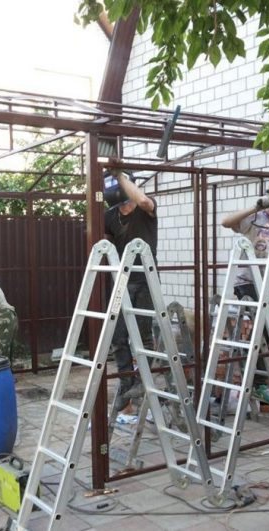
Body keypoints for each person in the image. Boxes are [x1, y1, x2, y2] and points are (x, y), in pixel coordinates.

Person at [103, 169, 157, 411]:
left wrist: (121, 176)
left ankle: (145, 382)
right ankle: (128, 383)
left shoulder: (146, 208)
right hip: (121, 282)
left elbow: (143, 200)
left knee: (144, 337)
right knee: (117, 337)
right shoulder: (109, 216)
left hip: (146, 281)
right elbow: (104, 244)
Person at [221, 193, 269, 403]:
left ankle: (257, 382)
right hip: (247, 281)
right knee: (259, 329)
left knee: (263, 334)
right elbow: (226, 222)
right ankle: (258, 384)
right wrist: (255, 207)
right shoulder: (255, 219)